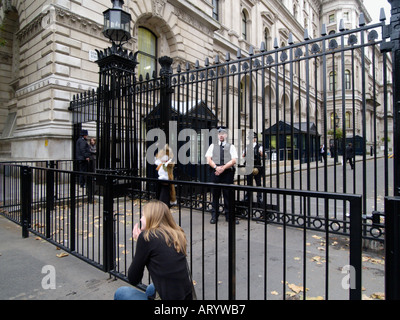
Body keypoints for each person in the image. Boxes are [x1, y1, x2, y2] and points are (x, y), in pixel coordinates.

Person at [114, 200, 194, 300]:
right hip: (185, 296)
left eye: (143, 215)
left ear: (151, 218)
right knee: (151, 288)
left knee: (121, 292)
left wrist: (140, 241)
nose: (140, 219)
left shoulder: (146, 238)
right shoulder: (176, 234)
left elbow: (133, 279)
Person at [205, 126, 238, 224]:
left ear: (226, 135)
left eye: (223, 133)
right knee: (215, 195)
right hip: (215, 173)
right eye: (219, 134)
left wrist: (222, 168)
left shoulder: (231, 146)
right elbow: (208, 159)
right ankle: (214, 216)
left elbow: (234, 160)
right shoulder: (212, 146)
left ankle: (230, 216)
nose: (221, 135)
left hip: (227, 173)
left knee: (228, 195)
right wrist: (216, 167)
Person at [243, 132, 263, 205]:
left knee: (258, 183)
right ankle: (248, 196)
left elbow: (263, 154)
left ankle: (259, 197)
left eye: (253, 138)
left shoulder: (259, 146)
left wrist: (261, 153)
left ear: (255, 139)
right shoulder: (247, 146)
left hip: (257, 167)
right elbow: (243, 155)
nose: (252, 139)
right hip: (249, 166)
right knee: (249, 182)